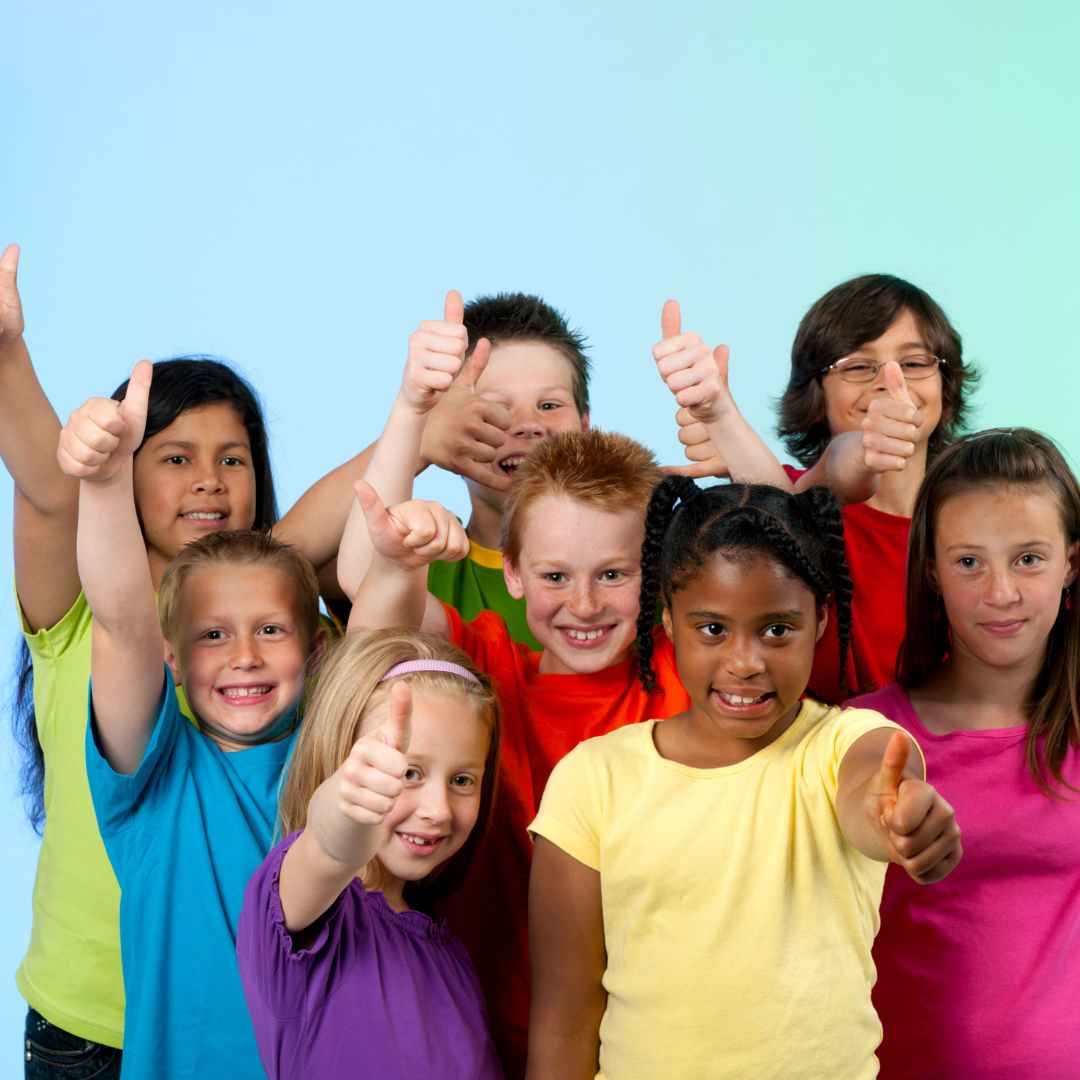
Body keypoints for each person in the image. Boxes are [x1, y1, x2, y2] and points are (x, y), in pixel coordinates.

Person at [0, 243, 381, 1072]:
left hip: (235, 1024)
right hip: (88, 1021)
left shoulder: (268, 619)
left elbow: (316, 531)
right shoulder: (83, 602)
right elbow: (50, 489)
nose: (209, 481)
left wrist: (420, 426)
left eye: (232, 460)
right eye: (175, 458)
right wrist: (7, 354)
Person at [527, 476, 963, 1080]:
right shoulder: (593, 779)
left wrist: (895, 819)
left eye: (777, 629)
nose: (745, 663)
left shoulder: (845, 743)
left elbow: (872, 786)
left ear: (821, 619)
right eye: (712, 629)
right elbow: (565, 1021)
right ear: (668, 618)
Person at [341, 354, 695, 1076]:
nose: (584, 605)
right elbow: (373, 627)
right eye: (555, 576)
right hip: (477, 1039)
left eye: (614, 575)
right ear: (511, 571)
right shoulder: (486, 667)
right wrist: (396, 560)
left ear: (657, 574)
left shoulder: (685, 677)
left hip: (650, 1046)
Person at [53, 357, 331, 1078]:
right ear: (170, 657)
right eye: (212, 635)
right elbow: (121, 622)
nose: (244, 656)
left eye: (270, 630)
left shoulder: (329, 750)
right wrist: (105, 483)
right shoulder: (154, 785)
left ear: (315, 648)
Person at [852, 429, 1080, 1080]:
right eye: (969, 562)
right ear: (931, 572)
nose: (1000, 593)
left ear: (1071, 563)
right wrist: (891, 821)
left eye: (1028, 559)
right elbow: (863, 797)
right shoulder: (869, 729)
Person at [662, 277, 979, 700]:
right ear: (816, 393)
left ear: (945, 381)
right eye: (858, 366)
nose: (890, 380)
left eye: (915, 362)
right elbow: (833, 471)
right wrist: (723, 419)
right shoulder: (780, 494)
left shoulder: (977, 522)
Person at [237, 629, 504, 1080]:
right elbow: (327, 847)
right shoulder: (304, 914)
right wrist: (343, 811)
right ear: (342, 763)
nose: (438, 810)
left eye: (462, 781)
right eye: (409, 773)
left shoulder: (448, 952)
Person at [338, 290, 591, 650]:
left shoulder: (642, 553)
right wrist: (414, 411)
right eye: (498, 407)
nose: (527, 424)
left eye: (549, 405)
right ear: (453, 434)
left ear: (584, 428)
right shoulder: (428, 557)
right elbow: (365, 576)